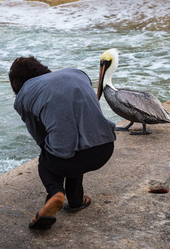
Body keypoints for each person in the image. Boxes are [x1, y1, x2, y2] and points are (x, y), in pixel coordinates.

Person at [9, 56, 116, 230]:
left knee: (49, 158)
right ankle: (76, 200)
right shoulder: (77, 74)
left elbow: (40, 137)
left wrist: (53, 158)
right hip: (105, 148)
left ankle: (55, 193)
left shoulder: (24, 95)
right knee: (75, 144)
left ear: (17, 85)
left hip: (69, 161)